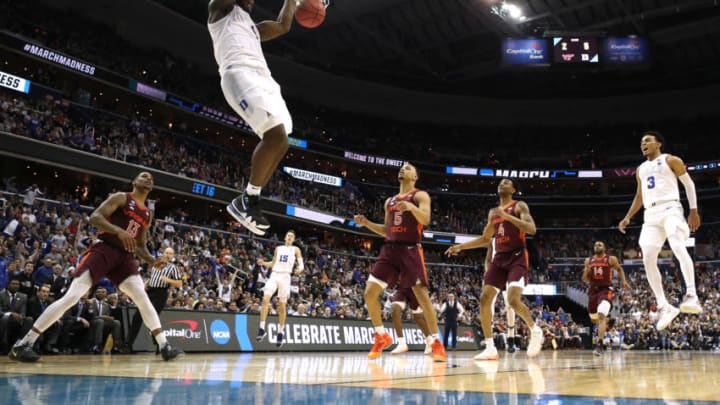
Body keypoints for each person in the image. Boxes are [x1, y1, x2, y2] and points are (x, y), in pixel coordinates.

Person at [8, 172, 182, 362]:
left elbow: (139, 245)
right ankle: (24, 344)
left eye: (151, 178)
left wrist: (151, 260)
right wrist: (118, 231)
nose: (148, 179)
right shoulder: (121, 198)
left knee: (142, 297)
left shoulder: (147, 214)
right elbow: (94, 217)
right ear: (134, 181)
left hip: (125, 258)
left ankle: (164, 345)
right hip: (104, 249)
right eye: (143, 176)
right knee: (73, 296)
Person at [208, 0, 297, 236]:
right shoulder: (220, 10)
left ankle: (251, 198)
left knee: (283, 141)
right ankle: (246, 199)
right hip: (238, 73)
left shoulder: (253, 28)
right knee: (275, 137)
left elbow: (283, 25)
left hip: (263, 79)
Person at [354, 163, 447, 362]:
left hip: (410, 250)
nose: (403, 169)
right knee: (369, 292)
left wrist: (411, 207)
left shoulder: (420, 196)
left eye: (408, 168)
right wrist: (367, 223)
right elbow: (387, 230)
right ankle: (381, 336)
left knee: (422, 296)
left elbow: (426, 219)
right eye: (402, 167)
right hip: (389, 249)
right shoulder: (390, 201)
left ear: (415, 176)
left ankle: (436, 343)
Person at [445, 178, 543, 360]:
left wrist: (507, 217)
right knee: (484, 298)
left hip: (517, 257)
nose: (502, 183)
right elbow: (484, 238)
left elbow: (531, 229)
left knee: (513, 300)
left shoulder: (519, 206)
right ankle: (490, 348)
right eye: (500, 182)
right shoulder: (493, 213)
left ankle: (535, 330)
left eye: (507, 182)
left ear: (513, 189)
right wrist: (460, 247)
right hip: (499, 259)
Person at [618, 131, 702, 331]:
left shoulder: (671, 160)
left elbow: (689, 185)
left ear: (659, 144)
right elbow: (640, 196)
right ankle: (664, 306)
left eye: (647, 140)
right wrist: (628, 216)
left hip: (671, 207)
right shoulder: (640, 169)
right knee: (647, 257)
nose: (643, 144)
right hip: (651, 214)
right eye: (641, 142)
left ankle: (692, 295)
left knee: (676, 244)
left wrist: (693, 211)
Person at [125, 247, 182, 353]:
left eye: (170, 253)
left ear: (172, 256)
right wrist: (147, 282)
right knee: (137, 316)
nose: (168, 255)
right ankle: (128, 345)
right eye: (166, 253)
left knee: (152, 317)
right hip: (149, 292)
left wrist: (167, 280)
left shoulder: (173, 267)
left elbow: (179, 283)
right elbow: (153, 277)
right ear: (163, 253)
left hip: (161, 293)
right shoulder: (155, 264)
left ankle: (159, 345)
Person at [255, 230, 303, 347]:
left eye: (292, 236)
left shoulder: (296, 249)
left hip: (286, 277)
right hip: (275, 274)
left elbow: (301, 264)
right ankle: (262, 329)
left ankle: (281, 332)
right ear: (285, 237)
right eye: (288, 235)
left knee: (282, 306)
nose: (290, 237)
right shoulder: (278, 248)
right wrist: (263, 263)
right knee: (265, 299)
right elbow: (273, 263)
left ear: (294, 239)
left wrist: (299, 269)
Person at [582, 241, 630, 356]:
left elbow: (619, 269)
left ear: (604, 248)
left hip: (605, 290)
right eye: (595, 245)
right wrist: (586, 272)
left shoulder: (611, 259)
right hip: (593, 291)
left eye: (599, 245)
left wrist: (623, 281)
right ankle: (608, 322)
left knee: (601, 315)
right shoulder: (589, 261)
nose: (597, 246)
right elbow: (585, 280)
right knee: (594, 319)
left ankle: (599, 345)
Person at [389, 284, 433, 355]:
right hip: (403, 289)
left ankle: (429, 340)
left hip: (416, 289)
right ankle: (401, 343)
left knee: (418, 317)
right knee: (395, 308)